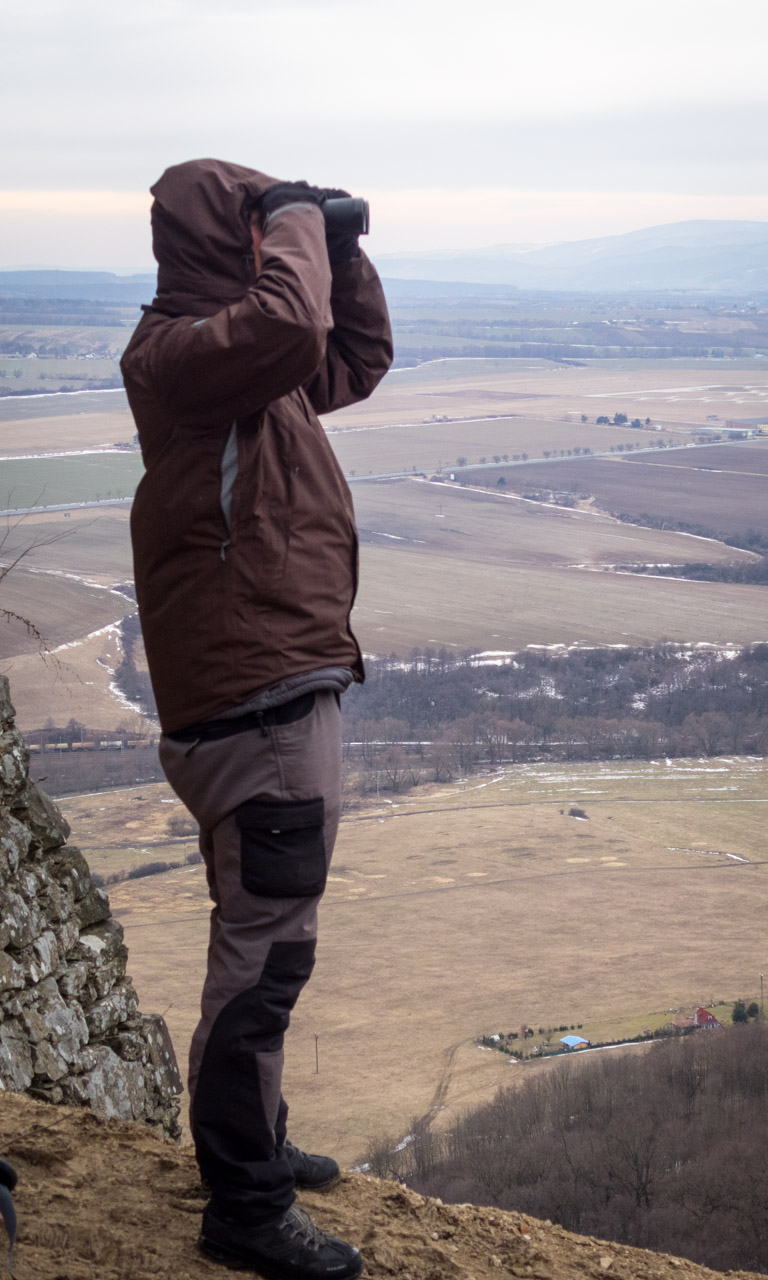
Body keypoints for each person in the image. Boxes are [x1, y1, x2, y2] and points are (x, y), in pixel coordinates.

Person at [121, 157, 393, 1280]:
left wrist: (337, 245)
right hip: (257, 693)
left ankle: (255, 1140)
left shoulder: (245, 369)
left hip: (267, 681)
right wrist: (292, 215)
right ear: (219, 240)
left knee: (269, 935)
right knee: (264, 958)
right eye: (257, 228)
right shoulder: (184, 355)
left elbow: (353, 358)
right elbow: (289, 326)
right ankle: (242, 1200)